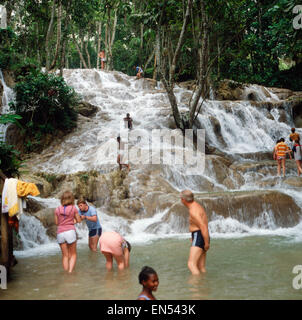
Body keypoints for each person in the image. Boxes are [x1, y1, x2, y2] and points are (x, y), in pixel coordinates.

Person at [180, 190, 210, 275]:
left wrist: (206, 243)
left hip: (200, 235)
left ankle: (196, 286)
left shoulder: (193, 211)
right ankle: (204, 285)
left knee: (191, 264)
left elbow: (203, 226)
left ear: (183, 199)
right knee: (201, 266)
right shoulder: (197, 206)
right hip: (201, 235)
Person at [54, 191, 82, 273]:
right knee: (73, 254)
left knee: (65, 256)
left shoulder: (57, 209)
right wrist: (72, 221)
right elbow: (79, 220)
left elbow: (56, 223)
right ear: (71, 199)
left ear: (62, 199)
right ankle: (70, 272)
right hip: (70, 231)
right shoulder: (73, 208)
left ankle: (66, 273)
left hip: (60, 233)